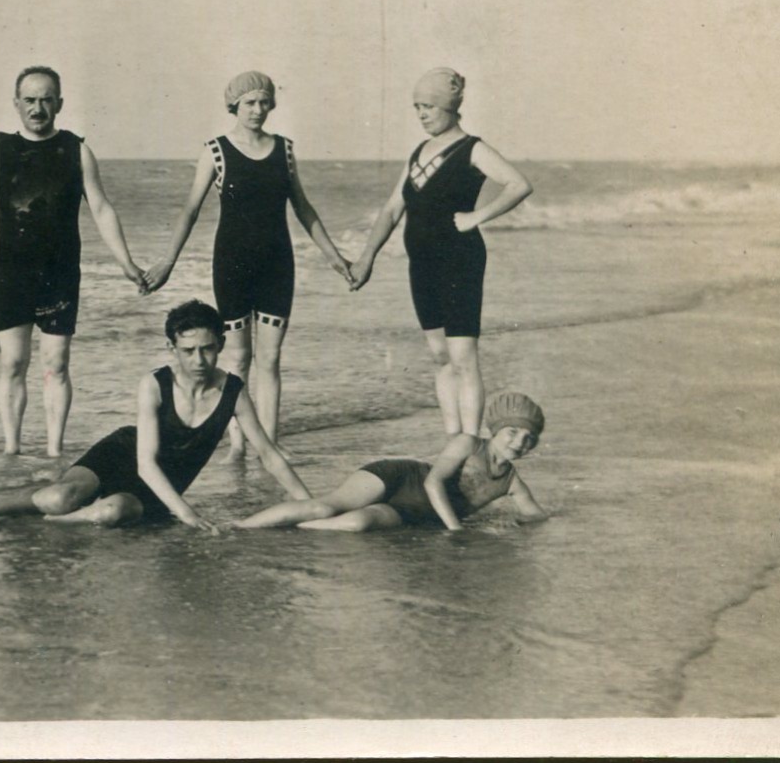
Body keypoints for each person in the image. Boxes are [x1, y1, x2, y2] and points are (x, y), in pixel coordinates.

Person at [0, 66, 147, 457]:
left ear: (59, 103)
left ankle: (55, 452)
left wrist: (127, 265)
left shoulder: (77, 150)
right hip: (11, 270)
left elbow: (103, 209)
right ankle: (12, 451)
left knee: (56, 364)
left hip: (60, 272)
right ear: (16, 104)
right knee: (13, 363)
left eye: (46, 100)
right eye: (30, 100)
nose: (38, 108)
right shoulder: (0, 151)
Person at [0, 300, 312, 530]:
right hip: (123, 453)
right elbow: (145, 463)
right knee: (57, 496)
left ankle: (48, 527)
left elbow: (269, 454)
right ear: (172, 348)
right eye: (188, 350)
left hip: (158, 488)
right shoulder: (154, 384)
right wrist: (188, 515)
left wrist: (310, 505)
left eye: (208, 349)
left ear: (221, 345)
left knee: (112, 512)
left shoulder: (231, 391)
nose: (199, 360)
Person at [144, 71, 354, 460]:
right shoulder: (216, 150)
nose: (258, 110)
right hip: (232, 265)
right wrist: (167, 262)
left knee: (271, 359)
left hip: (278, 264)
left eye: (264, 103)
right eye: (249, 103)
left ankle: (269, 444)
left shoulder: (284, 149)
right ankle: (239, 442)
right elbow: (190, 210)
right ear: (234, 106)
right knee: (239, 358)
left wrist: (334, 256)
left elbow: (303, 208)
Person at [347, 67, 533, 442]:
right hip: (422, 264)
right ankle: (453, 439)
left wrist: (477, 217)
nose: (422, 113)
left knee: (463, 357)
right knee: (438, 356)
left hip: (460, 260)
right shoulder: (418, 153)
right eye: (417, 106)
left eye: (429, 105)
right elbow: (391, 210)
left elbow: (519, 184)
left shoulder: (472, 148)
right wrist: (367, 257)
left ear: (450, 107)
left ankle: (471, 440)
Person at [236, 391, 548, 532]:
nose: (519, 443)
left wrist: (528, 524)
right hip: (400, 477)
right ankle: (240, 526)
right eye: (512, 432)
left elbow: (536, 516)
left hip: (412, 512)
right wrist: (454, 528)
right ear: (494, 430)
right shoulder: (468, 443)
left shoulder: (511, 482)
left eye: (529, 438)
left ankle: (296, 527)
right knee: (327, 506)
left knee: (360, 523)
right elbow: (433, 482)